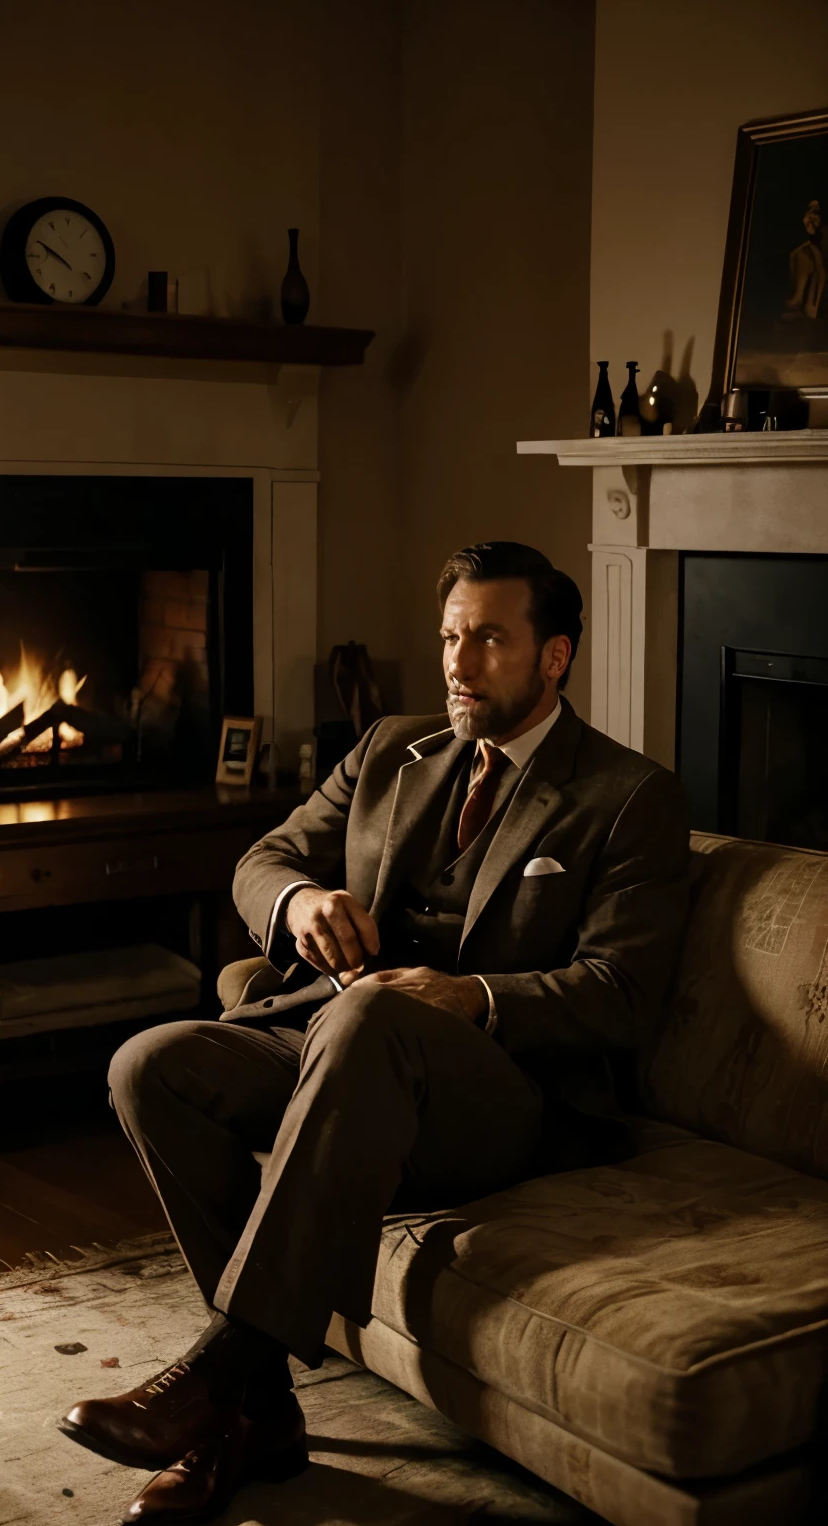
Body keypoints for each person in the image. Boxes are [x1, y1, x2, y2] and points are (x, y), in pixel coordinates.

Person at [60, 540, 691, 1523]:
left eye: (487, 637)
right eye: (449, 635)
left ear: (554, 656)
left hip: (505, 1099)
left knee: (368, 1015)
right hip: (334, 1045)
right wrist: (301, 900)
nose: (457, 662)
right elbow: (263, 859)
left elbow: (617, 994)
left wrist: (472, 995)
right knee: (150, 1064)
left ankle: (219, 1376)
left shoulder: (628, 796)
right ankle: (255, 1412)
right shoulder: (391, 749)